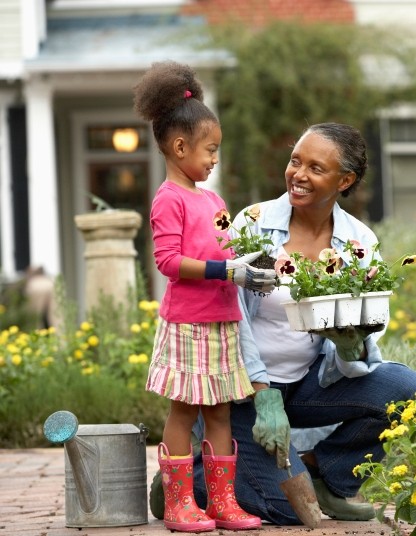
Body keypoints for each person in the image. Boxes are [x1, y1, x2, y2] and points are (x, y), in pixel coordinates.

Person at [146, 122, 416, 525]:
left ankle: (328, 478)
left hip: (312, 383)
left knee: (407, 390)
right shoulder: (254, 225)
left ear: (344, 180)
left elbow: (365, 330)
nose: (298, 174)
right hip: (243, 392)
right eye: (295, 161)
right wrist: (261, 389)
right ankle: (190, 479)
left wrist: (352, 346)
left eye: (316, 167)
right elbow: (230, 311)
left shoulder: (357, 243)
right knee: (284, 511)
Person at [133, 60, 276, 533]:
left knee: (219, 411)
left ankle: (222, 503)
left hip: (222, 319)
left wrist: (253, 262)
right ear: (179, 146)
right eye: (210, 149)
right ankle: (178, 504)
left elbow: (227, 247)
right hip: (189, 323)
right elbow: (169, 262)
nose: (215, 158)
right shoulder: (168, 199)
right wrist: (225, 268)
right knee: (184, 409)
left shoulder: (213, 202)